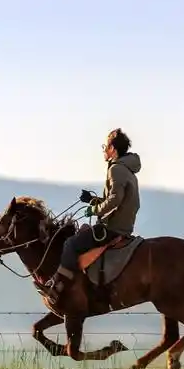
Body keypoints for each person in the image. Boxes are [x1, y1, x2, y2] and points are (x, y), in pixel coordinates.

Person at [42, 128, 141, 298]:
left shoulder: (115, 169)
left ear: (112, 149)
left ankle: (60, 290)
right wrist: (92, 200)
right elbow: (116, 201)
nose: (103, 150)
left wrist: (93, 209)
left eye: (105, 146)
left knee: (70, 245)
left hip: (113, 228)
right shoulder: (127, 169)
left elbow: (115, 200)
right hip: (122, 225)